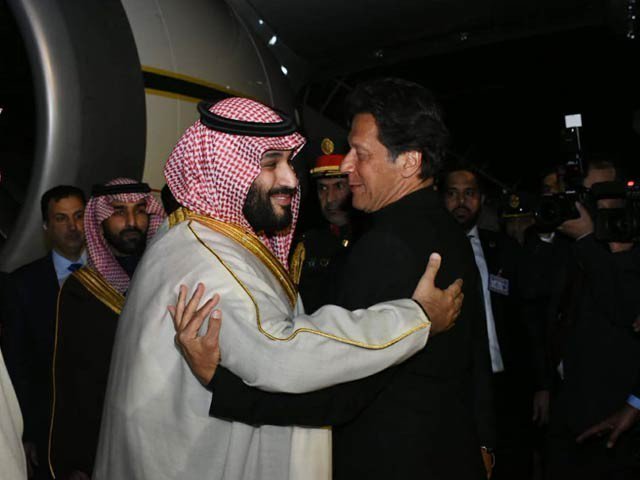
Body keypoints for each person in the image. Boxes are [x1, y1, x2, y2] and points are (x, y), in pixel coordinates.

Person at [93, 97, 462, 480]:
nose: (290, 179)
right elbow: (284, 356)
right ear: (224, 168)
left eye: (288, 161)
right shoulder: (206, 261)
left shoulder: (201, 234)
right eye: (271, 164)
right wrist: (416, 318)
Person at [182, 79, 495, 479]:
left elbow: (338, 392)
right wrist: (484, 440)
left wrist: (222, 384)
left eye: (360, 154)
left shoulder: (386, 246)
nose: (346, 167)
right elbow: (475, 357)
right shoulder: (447, 231)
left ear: (409, 162)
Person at [48, 178, 165, 480]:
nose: (131, 222)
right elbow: (72, 381)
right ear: (98, 220)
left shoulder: (169, 278)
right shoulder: (82, 290)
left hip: (163, 433)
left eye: (140, 211)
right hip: (103, 438)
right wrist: (77, 460)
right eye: (118, 212)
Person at [545, 156, 640, 479]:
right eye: (584, 193)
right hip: (564, 403)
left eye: (602, 191)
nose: (591, 202)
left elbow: (625, 311)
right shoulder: (569, 240)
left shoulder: (628, 242)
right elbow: (535, 298)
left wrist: (588, 241)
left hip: (615, 409)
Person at [441, 164, 536, 478]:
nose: (461, 202)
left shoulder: (503, 249)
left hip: (506, 383)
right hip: (457, 385)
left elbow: (526, 317)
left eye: (469, 193)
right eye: (452, 194)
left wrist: (541, 385)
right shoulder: (430, 253)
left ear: (481, 199)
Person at [1, 185, 86, 480]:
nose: (72, 226)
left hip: (103, 423)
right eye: (61, 218)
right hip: (48, 428)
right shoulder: (22, 285)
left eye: (78, 216)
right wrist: (26, 433)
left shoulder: (112, 276)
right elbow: (18, 364)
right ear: (46, 227)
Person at [290, 139, 354, 311]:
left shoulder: (372, 239)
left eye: (339, 186)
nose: (330, 199)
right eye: (323, 188)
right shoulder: (308, 244)